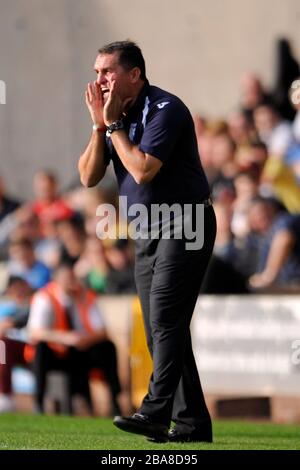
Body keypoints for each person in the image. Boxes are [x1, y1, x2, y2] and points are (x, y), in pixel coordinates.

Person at [78, 41, 216, 442]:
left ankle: (154, 412)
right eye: (97, 71)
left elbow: (142, 170)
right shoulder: (112, 115)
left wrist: (115, 127)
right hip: (147, 229)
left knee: (165, 320)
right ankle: (191, 423)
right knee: (161, 328)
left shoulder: (165, 109)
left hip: (186, 221)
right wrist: (100, 127)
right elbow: (88, 177)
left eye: (107, 72)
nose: (99, 79)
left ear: (134, 74)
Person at [27, 263, 121, 415]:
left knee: (108, 347)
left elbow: (102, 330)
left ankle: (114, 402)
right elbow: (35, 332)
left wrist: (85, 339)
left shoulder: (85, 296)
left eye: (72, 278)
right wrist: (65, 338)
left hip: (80, 348)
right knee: (40, 349)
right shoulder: (44, 297)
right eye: (66, 279)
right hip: (54, 350)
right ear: (56, 280)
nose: (70, 283)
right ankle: (39, 404)